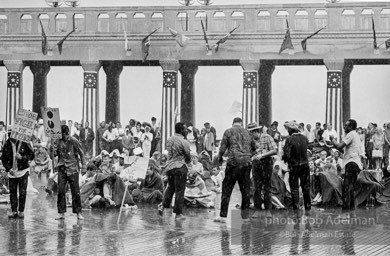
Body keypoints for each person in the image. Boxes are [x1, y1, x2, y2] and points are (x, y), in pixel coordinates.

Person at [214, 117, 253, 223]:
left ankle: (222, 216)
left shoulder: (228, 131)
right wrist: (247, 156)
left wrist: (220, 157)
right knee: (245, 190)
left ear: (233, 123)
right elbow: (254, 148)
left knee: (227, 189)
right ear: (241, 123)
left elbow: (222, 148)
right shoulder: (248, 133)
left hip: (233, 163)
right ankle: (245, 217)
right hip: (246, 164)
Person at [159, 122, 191, 220]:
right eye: (185, 129)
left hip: (169, 167)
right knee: (179, 190)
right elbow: (188, 155)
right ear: (181, 130)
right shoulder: (184, 141)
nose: (187, 131)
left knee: (170, 187)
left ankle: (163, 206)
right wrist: (188, 161)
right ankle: (178, 214)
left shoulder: (169, 139)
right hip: (180, 167)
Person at [54, 125, 86, 220]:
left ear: (67, 133)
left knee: (75, 191)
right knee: (60, 190)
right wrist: (52, 147)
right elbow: (55, 153)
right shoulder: (58, 141)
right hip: (62, 168)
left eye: (64, 135)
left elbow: (81, 153)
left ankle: (78, 212)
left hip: (73, 168)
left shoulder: (74, 141)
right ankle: (61, 213)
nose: (63, 137)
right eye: (62, 135)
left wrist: (84, 166)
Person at [1, 128, 35, 218]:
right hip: (12, 172)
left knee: (22, 192)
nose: (11, 137)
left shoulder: (24, 142)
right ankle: (14, 211)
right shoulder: (7, 144)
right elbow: (3, 158)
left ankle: (21, 211)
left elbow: (32, 154)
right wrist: (8, 169)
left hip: (23, 171)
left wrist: (22, 157)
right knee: (13, 192)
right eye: (9, 135)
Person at [331, 119, 363, 214]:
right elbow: (345, 151)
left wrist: (333, 140)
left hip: (352, 163)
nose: (344, 127)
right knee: (351, 187)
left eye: (346, 125)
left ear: (351, 127)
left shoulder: (351, 134)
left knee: (346, 187)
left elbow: (339, 146)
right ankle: (351, 210)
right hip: (356, 163)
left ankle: (345, 210)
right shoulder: (355, 135)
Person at [249, 123, 278, 219]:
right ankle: (257, 210)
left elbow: (274, 150)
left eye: (253, 133)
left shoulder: (267, 137)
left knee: (267, 187)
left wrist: (262, 155)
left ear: (257, 131)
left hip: (266, 163)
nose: (252, 135)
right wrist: (253, 155)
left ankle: (268, 210)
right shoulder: (251, 140)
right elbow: (250, 152)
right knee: (256, 187)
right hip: (256, 164)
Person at [282, 121, 311, 212]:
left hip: (294, 166)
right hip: (305, 165)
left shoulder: (289, 139)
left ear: (290, 130)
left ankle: (296, 209)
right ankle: (308, 207)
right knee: (306, 188)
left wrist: (285, 159)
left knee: (294, 188)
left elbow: (287, 155)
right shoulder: (305, 138)